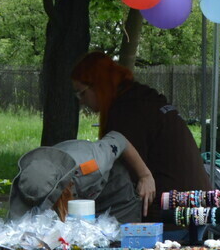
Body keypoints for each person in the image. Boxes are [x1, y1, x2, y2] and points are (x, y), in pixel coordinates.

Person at [71, 52, 208, 223]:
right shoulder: (142, 99)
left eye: (81, 93)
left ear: (98, 86)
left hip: (174, 213)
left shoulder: (127, 112)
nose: (81, 102)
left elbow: (117, 174)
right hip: (199, 205)